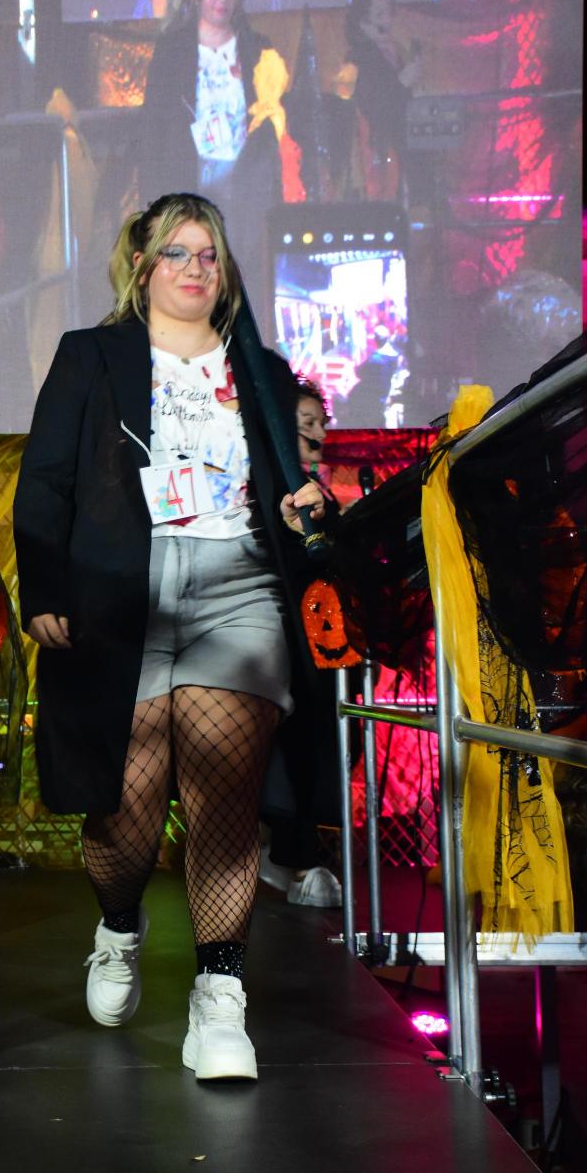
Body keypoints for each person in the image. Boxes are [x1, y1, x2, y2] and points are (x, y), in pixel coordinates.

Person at [13, 191, 326, 1082]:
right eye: (178, 253)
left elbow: (288, 488)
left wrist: (305, 511)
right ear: (143, 267)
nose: (196, 268)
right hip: (123, 594)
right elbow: (46, 481)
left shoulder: (261, 369)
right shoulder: (91, 356)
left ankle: (220, 998)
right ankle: (119, 926)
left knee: (225, 798)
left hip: (238, 586)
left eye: (210, 254)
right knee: (128, 817)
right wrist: (45, 589)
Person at [140, 0, 283, 287]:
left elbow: (273, 122)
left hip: (247, 190)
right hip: (191, 187)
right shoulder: (172, 52)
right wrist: (153, 202)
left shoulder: (257, 48)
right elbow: (152, 129)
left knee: (245, 283)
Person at [260, 378, 343, 908]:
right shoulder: (268, 494)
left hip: (321, 644)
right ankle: (290, 855)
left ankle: (294, 853)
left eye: (321, 423)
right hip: (280, 641)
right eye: (306, 423)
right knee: (286, 746)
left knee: (319, 743)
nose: (318, 433)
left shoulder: (318, 492)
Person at [344, 0, 422, 203]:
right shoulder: (358, 59)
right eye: (379, 14)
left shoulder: (394, 51)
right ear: (363, 22)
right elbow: (370, 108)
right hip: (378, 157)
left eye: (389, 12)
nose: (387, 20)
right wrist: (401, 83)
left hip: (402, 149)